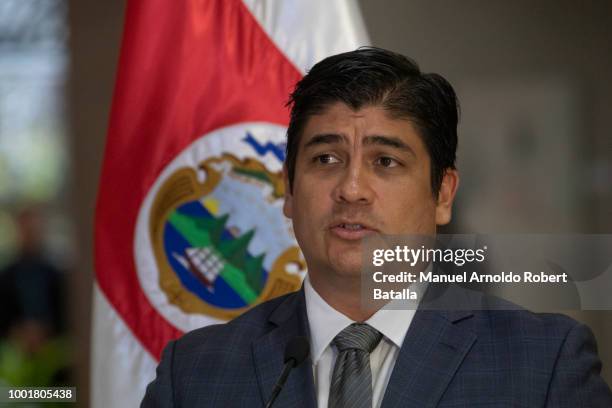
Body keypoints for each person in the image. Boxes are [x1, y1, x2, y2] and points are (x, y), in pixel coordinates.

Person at [141, 47, 612, 407]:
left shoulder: (544, 363)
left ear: (443, 194)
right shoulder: (196, 372)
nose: (351, 189)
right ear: (287, 190)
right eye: (326, 159)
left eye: (385, 162)